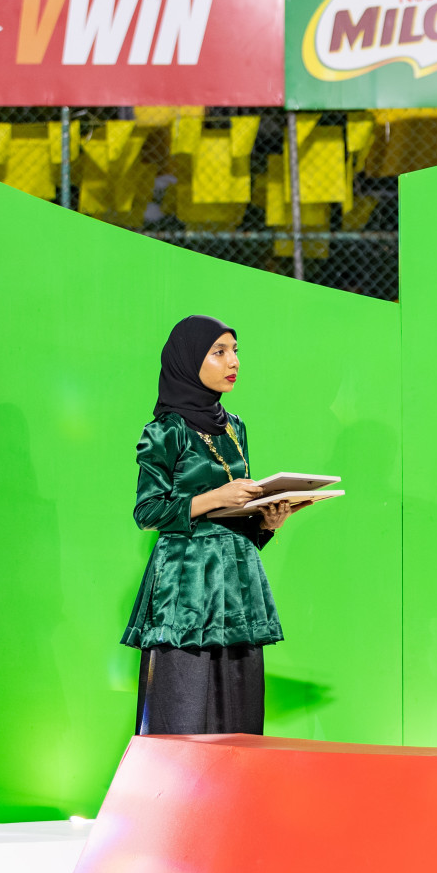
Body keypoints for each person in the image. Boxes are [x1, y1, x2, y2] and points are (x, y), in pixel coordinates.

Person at [122, 315, 298, 735]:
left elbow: (233, 521)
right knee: (181, 708)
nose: (232, 361)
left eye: (235, 351)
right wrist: (215, 497)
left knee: (239, 708)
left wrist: (267, 523)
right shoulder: (165, 431)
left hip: (237, 583)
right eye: (219, 352)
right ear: (188, 361)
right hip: (185, 588)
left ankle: (235, 800)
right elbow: (147, 511)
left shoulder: (235, 428)